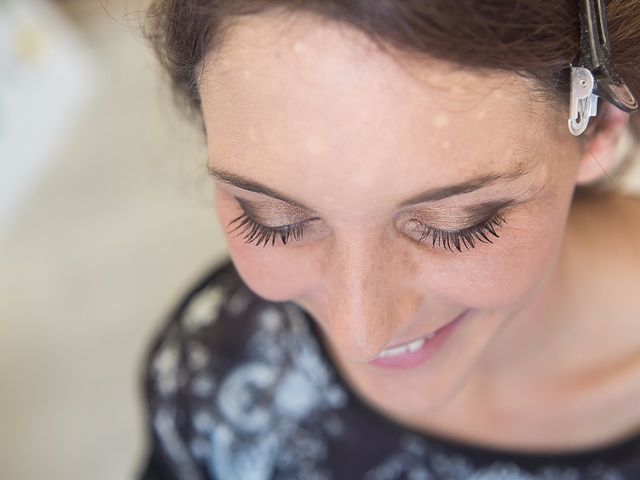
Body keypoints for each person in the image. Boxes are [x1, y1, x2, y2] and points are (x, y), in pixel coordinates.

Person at [137, 1, 640, 478]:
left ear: (601, 122)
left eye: (456, 223)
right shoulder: (214, 375)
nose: (360, 335)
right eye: (270, 219)